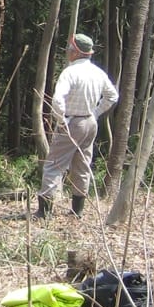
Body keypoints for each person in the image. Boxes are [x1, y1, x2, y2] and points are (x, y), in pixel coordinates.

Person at [35, 33, 118, 219]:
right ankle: (77, 211)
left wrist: (61, 120)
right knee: (82, 165)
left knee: (53, 165)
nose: (67, 52)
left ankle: (44, 212)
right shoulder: (98, 72)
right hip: (90, 123)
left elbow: (57, 100)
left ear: (75, 52)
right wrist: (95, 113)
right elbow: (113, 96)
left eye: (69, 49)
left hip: (72, 122)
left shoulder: (70, 72)